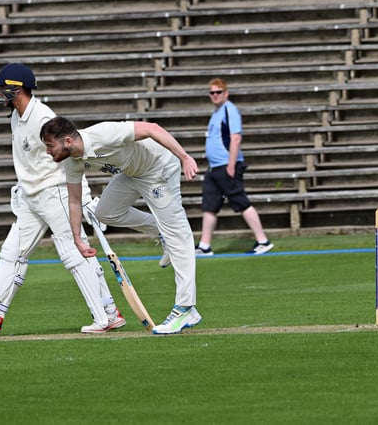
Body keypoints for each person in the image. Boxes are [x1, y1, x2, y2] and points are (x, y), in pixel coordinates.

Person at [0, 63, 126, 335]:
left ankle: (105, 316)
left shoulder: (43, 117)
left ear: (18, 88)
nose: (0, 93)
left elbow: (70, 152)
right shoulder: (16, 116)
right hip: (32, 197)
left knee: (73, 254)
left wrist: (81, 196)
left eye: (4, 88)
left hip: (55, 192)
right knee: (11, 253)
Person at [40, 116, 202, 335]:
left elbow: (151, 128)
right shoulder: (72, 161)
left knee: (178, 234)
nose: (48, 152)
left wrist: (184, 157)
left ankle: (185, 308)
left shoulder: (104, 134)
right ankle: (161, 231)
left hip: (158, 166)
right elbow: (74, 200)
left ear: (68, 141)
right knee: (105, 212)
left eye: (50, 145)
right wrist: (77, 238)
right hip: (131, 173)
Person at [195, 78, 274, 256]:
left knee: (240, 201)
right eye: (212, 92)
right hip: (214, 167)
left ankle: (263, 240)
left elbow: (235, 138)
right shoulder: (216, 112)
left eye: (218, 92)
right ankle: (204, 246)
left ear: (226, 93)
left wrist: (231, 164)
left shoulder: (230, 110)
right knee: (209, 205)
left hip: (226, 165)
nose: (215, 95)